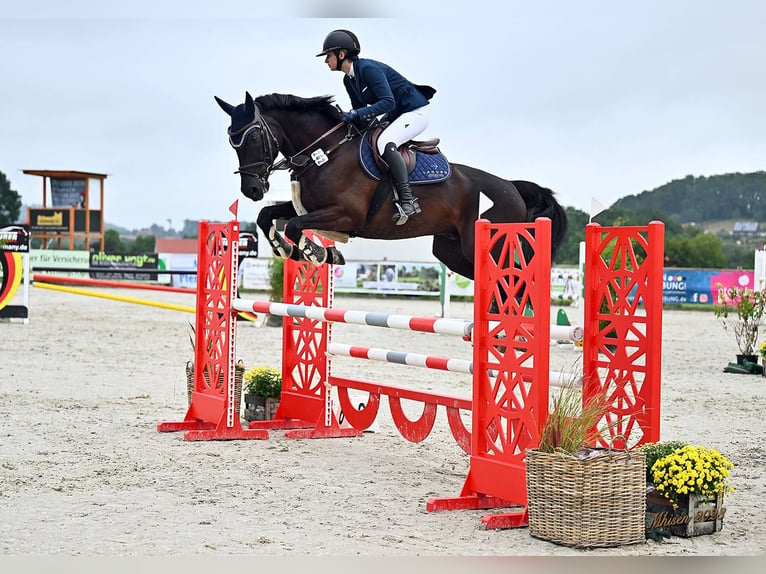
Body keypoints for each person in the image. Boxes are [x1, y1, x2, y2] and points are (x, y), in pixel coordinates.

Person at [316, 29, 436, 225]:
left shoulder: (368, 69)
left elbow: (388, 102)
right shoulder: (349, 79)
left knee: (384, 142)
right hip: (397, 114)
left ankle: (408, 200)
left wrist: (356, 114)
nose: (325, 61)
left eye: (328, 55)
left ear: (341, 54)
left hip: (416, 112)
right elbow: (360, 111)